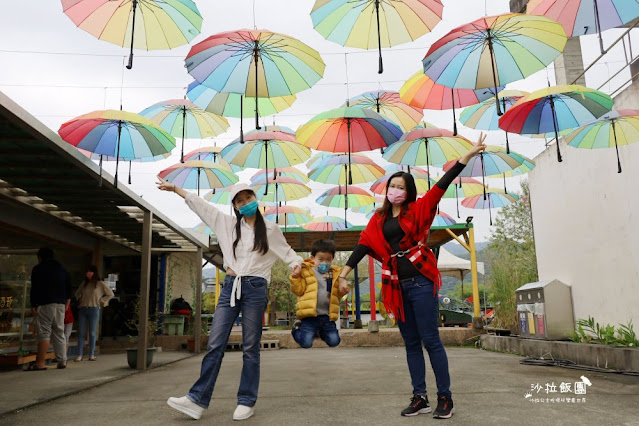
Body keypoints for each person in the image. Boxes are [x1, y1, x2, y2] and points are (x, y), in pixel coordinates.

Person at [337, 134, 487, 420]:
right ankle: (420, 396)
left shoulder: (419, 210)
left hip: (421, 281)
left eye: (401, 187)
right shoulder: (378, 219)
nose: (395, 190)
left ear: (409, 192)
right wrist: (343, 274)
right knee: (409, 343)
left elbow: (443, 184)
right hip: (396, 286)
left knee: (431, 340)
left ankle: (446, 397)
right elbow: (364, 245)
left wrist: (466, 156)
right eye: (392, 185)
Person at [158, 181, 302, 421]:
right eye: (240, 201)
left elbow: (289, 254)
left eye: (248, 198)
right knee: (215, 343)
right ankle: (196, 400)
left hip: (255, 289)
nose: (245, 203)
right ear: (235, 206)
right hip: (230, 287)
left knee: (250, 347)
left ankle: (247, 401)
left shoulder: (270, 229)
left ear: (256, 199)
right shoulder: (225, 224)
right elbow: (200, 205)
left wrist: (296, 267)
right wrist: (177, 190)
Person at [290, 239, 346, 348]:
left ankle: (320, 333)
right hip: (310, 316)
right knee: (306, 343)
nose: (324, 263)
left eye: (328, 259)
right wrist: (295, 278)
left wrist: (342, 290)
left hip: (327, 316)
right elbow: (298, 290)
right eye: (320, 259)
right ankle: (296, 329)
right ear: (313, 258)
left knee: (334, 341)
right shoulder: (305, 272)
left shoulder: (334, 274)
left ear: (332, 259)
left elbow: (337, 295)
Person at [29, 247, 71, 370]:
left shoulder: (38, 269)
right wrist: (67, 303)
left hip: (44, 304)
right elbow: (68, 289)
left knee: (44, 333)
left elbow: (34, 289)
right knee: (59, 332)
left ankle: (40, 363)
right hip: (61, 305)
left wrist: (33, 305)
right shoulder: (63, 270)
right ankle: (62, 361)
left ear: (40, 257)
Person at [74, 265, 114, 362]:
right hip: (83, 309)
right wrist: (79, 300)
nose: (88, 273)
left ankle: (91, 354)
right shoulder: (84, 283)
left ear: (94, 273)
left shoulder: (100, 284)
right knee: (81, 333)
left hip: (94, 309)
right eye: (87, 271)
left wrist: (101, 300)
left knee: (92, 333)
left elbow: (111, 294)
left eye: (90, 271)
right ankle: (79, 354)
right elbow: (76, 294)